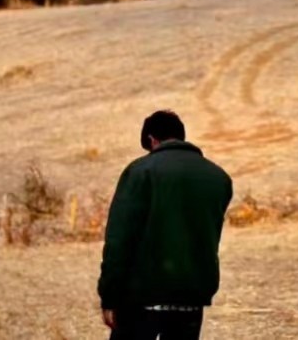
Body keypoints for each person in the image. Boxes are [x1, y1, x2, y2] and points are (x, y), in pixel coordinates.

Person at [98, 110, 233, 340]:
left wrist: (109, 296)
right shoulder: (218, 177)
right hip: (192, 298)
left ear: (152, 140)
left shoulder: (141, 172)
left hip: (141, 299)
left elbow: (120, 240)